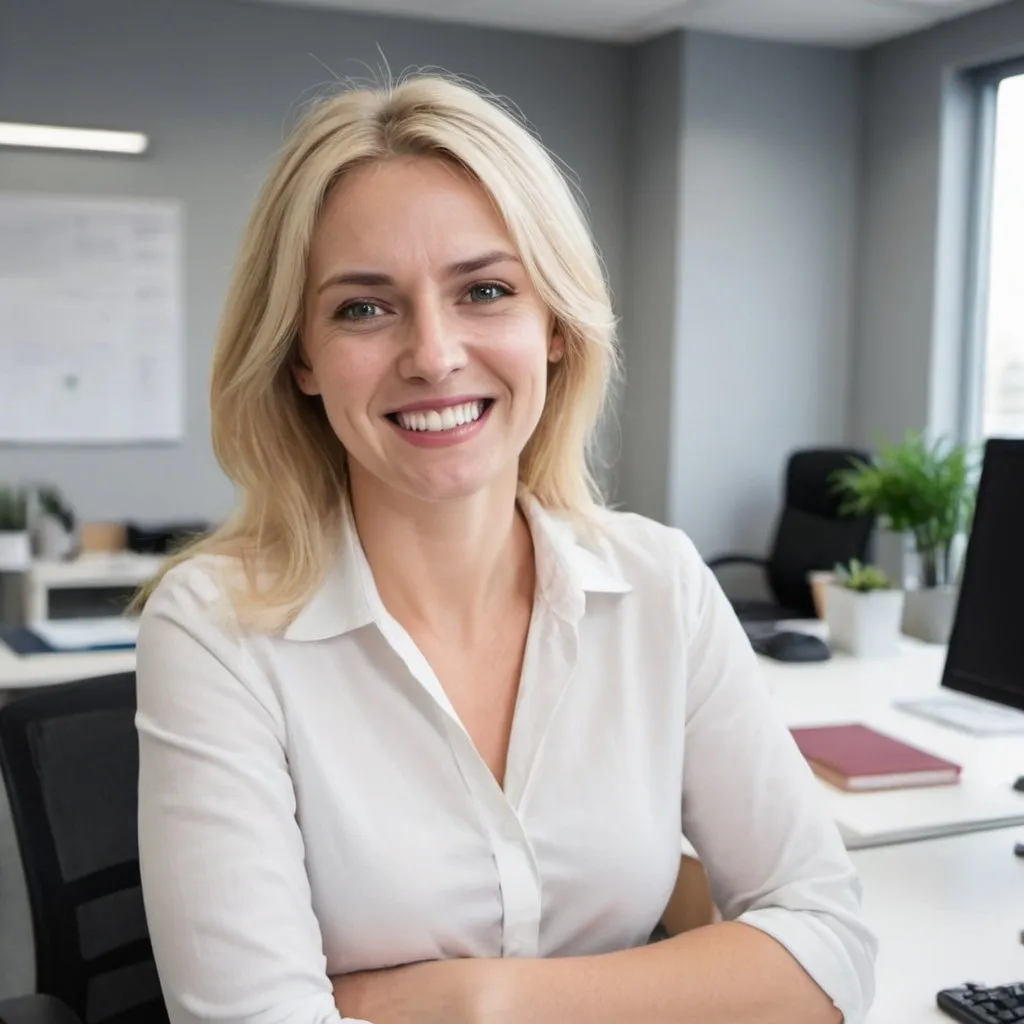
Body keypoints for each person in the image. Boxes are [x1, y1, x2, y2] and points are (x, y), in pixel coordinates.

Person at [135, 73, 877, 1024]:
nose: (434, 355)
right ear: (301, 358)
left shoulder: (660, 585)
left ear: (555, 326)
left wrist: (478, 1000)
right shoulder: (216, 627)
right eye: (364, 307)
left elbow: (832, 946)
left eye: (485, 290)